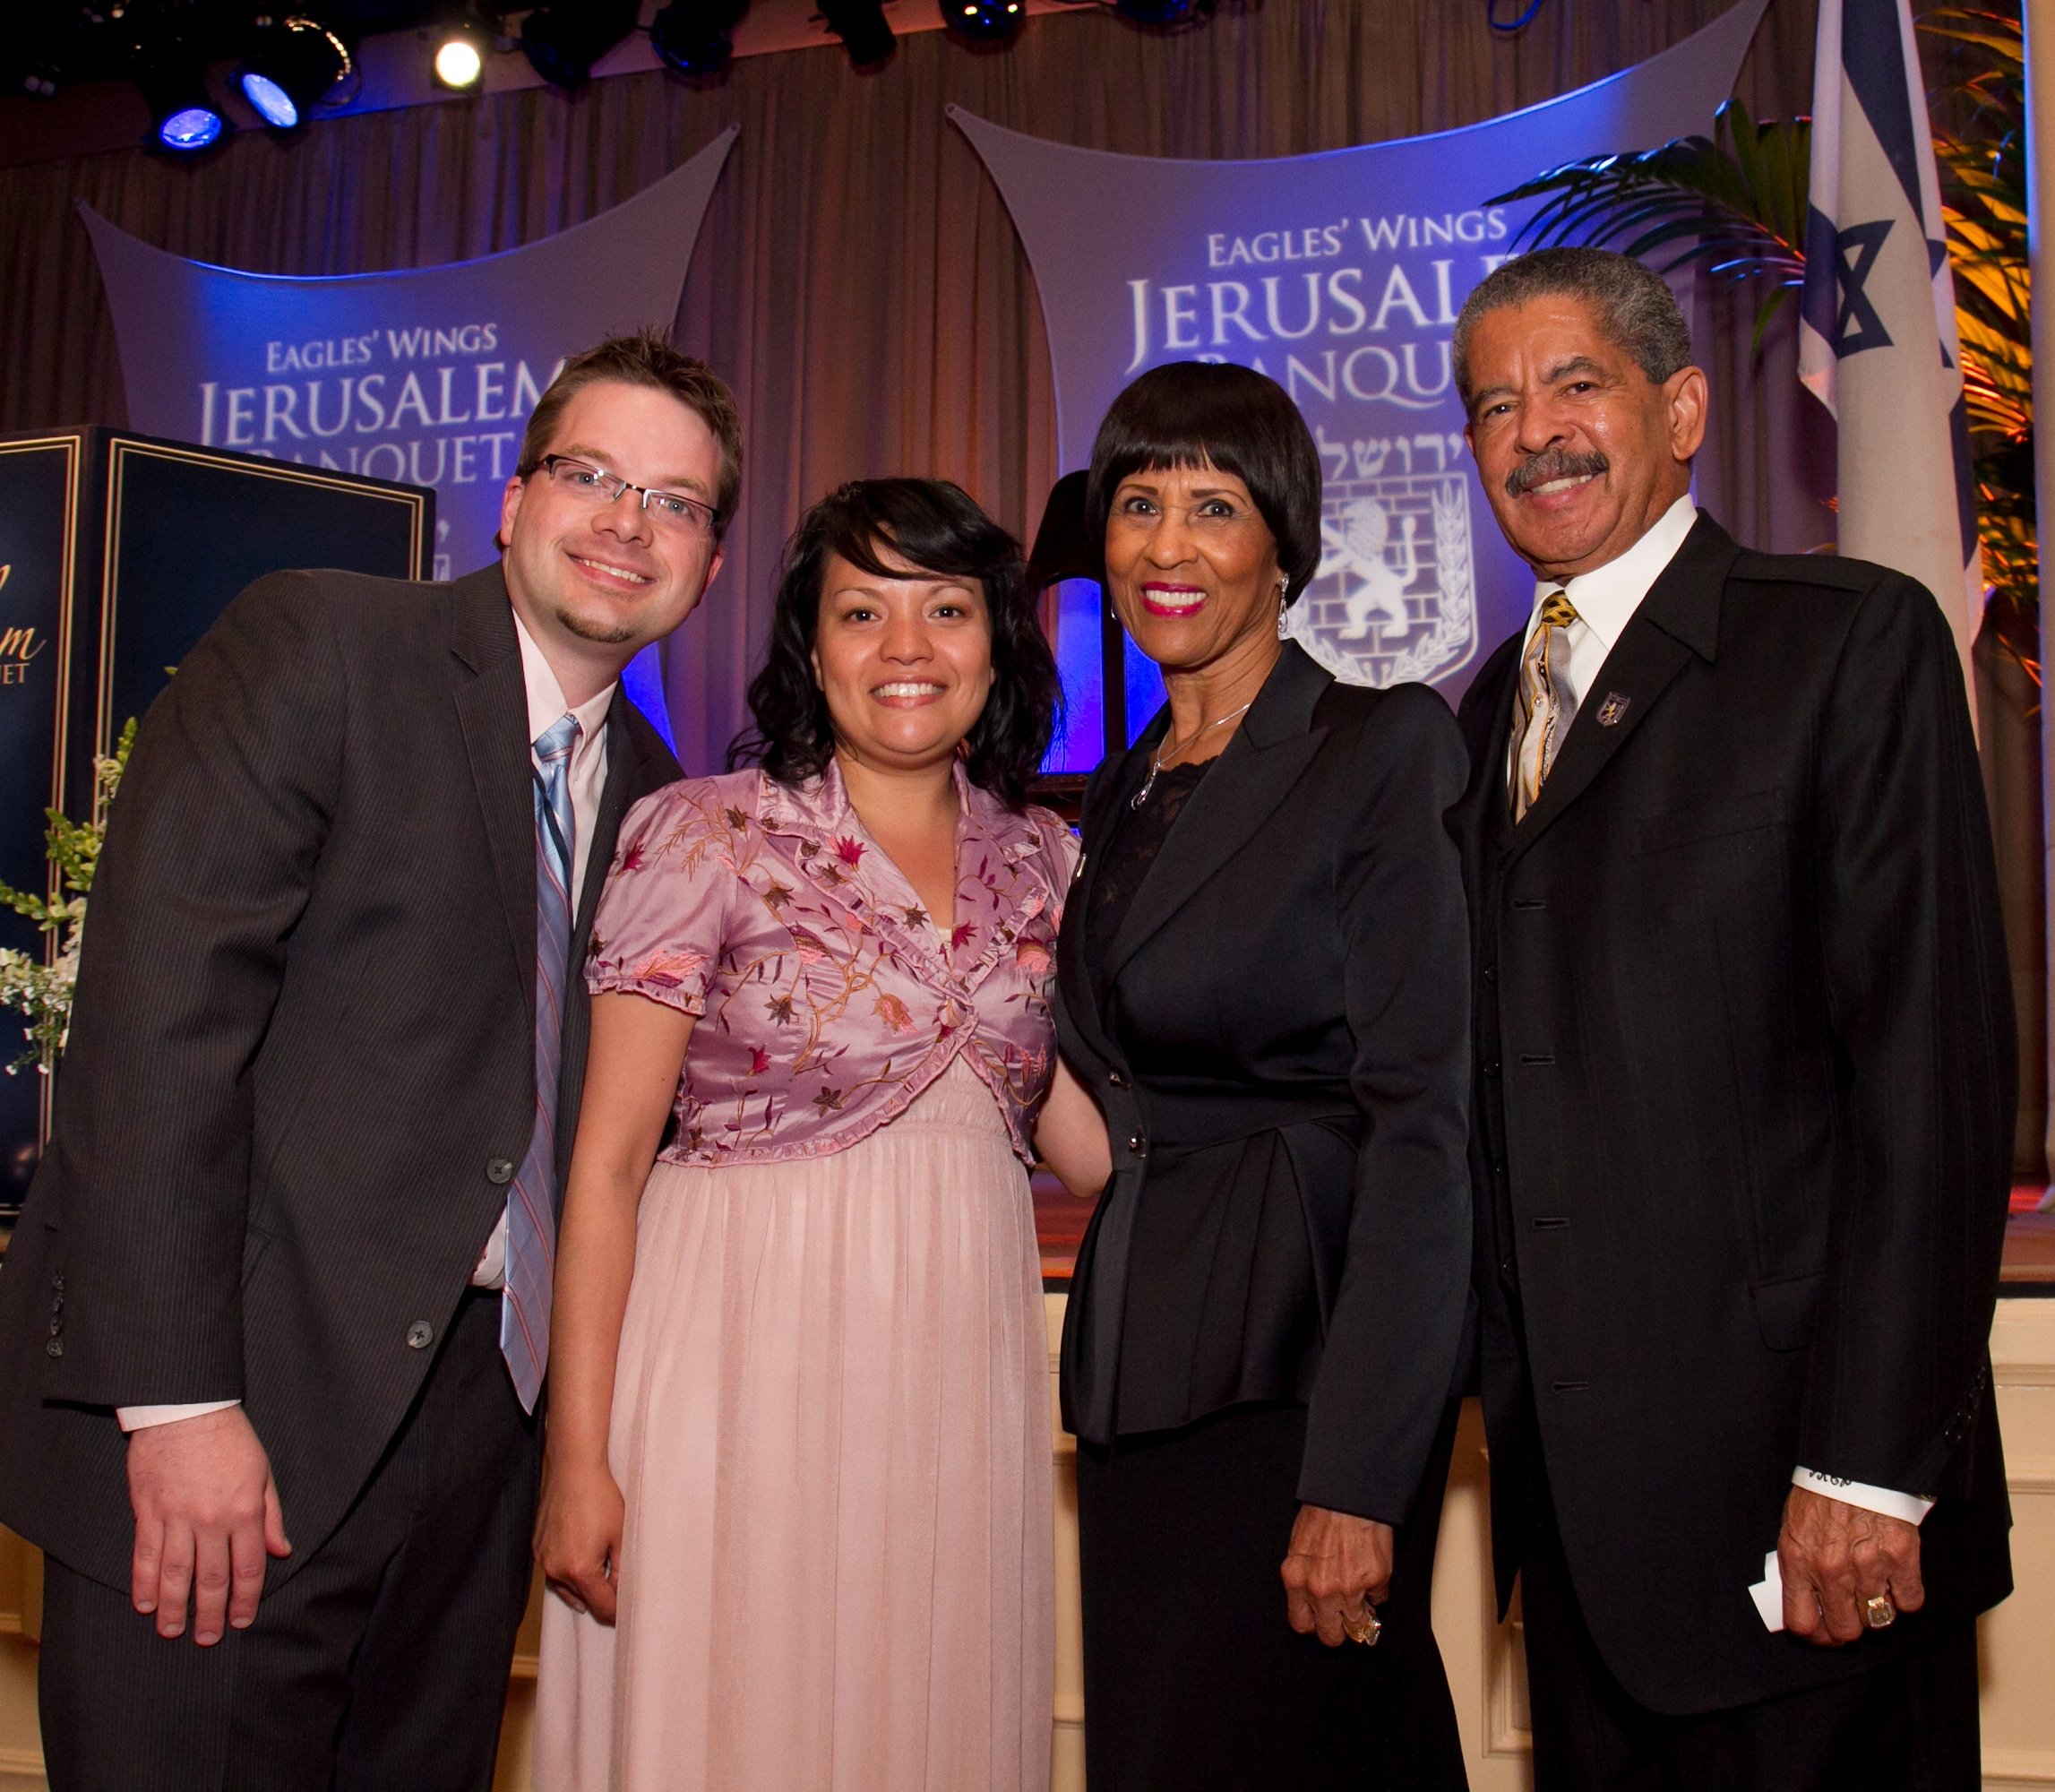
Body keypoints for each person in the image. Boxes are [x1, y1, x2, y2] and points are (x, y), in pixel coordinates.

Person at [0, 331, 739, 1789]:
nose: (625, 522)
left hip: (482, 1450)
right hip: (236, 1416)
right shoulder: (324, 646)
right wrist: (178, 1401)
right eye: (591, 475)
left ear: (711, 565)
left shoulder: (669, 806)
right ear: (512, 499)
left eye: (674, 502)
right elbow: (157, 1029)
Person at [1447, 246, 2014, 1789]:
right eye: (1494, 404)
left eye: (1575, 384)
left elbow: (1930, 1082)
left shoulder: (1841, 642)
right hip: (1582, 1552)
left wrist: (1867, 1468)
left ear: (1681, 408)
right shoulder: (1482, 708)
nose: (1533, 431)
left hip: (1806, 1526)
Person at [531, 478, 1109, 1792]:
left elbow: (1073, 1132)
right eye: (862, 612)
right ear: (810, 645)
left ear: (998, 643)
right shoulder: (702, 832)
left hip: (954, 1385)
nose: (906, 650)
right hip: (732, 1373)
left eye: (946, 610)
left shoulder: (1047, 859)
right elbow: (607, 1167)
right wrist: (577, 1458)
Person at [1054, 360, 1474, 1790]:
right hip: (1136, 1370)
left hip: (1298, 1371)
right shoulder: (1120, 789)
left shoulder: (1376, 746)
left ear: (1281, 548)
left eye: (1213, 507)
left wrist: (1357, 1477)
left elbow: (1424, 1126)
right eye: (1137, 504)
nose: (1167, 546)